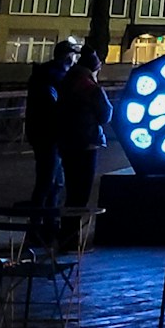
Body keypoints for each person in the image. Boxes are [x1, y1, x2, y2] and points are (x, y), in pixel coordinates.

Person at [55, 48, 112, 210]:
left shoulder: (66, 82)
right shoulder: (91, 88)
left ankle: (67, 223)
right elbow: (105, 115)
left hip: (66, 142)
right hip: (87, 144)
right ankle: (74, 224)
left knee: (71, 188)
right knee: (82, 192)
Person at [24, 40, 78, 208]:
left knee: (52, 181)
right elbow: (56, 105)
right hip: (49, 134)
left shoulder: (45, 74)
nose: (74, 60)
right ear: (67, 56)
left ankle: (46, 218)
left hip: (44, 133)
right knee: (48, 181)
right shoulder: (55, 77)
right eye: (73, 55)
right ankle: (41, 218)